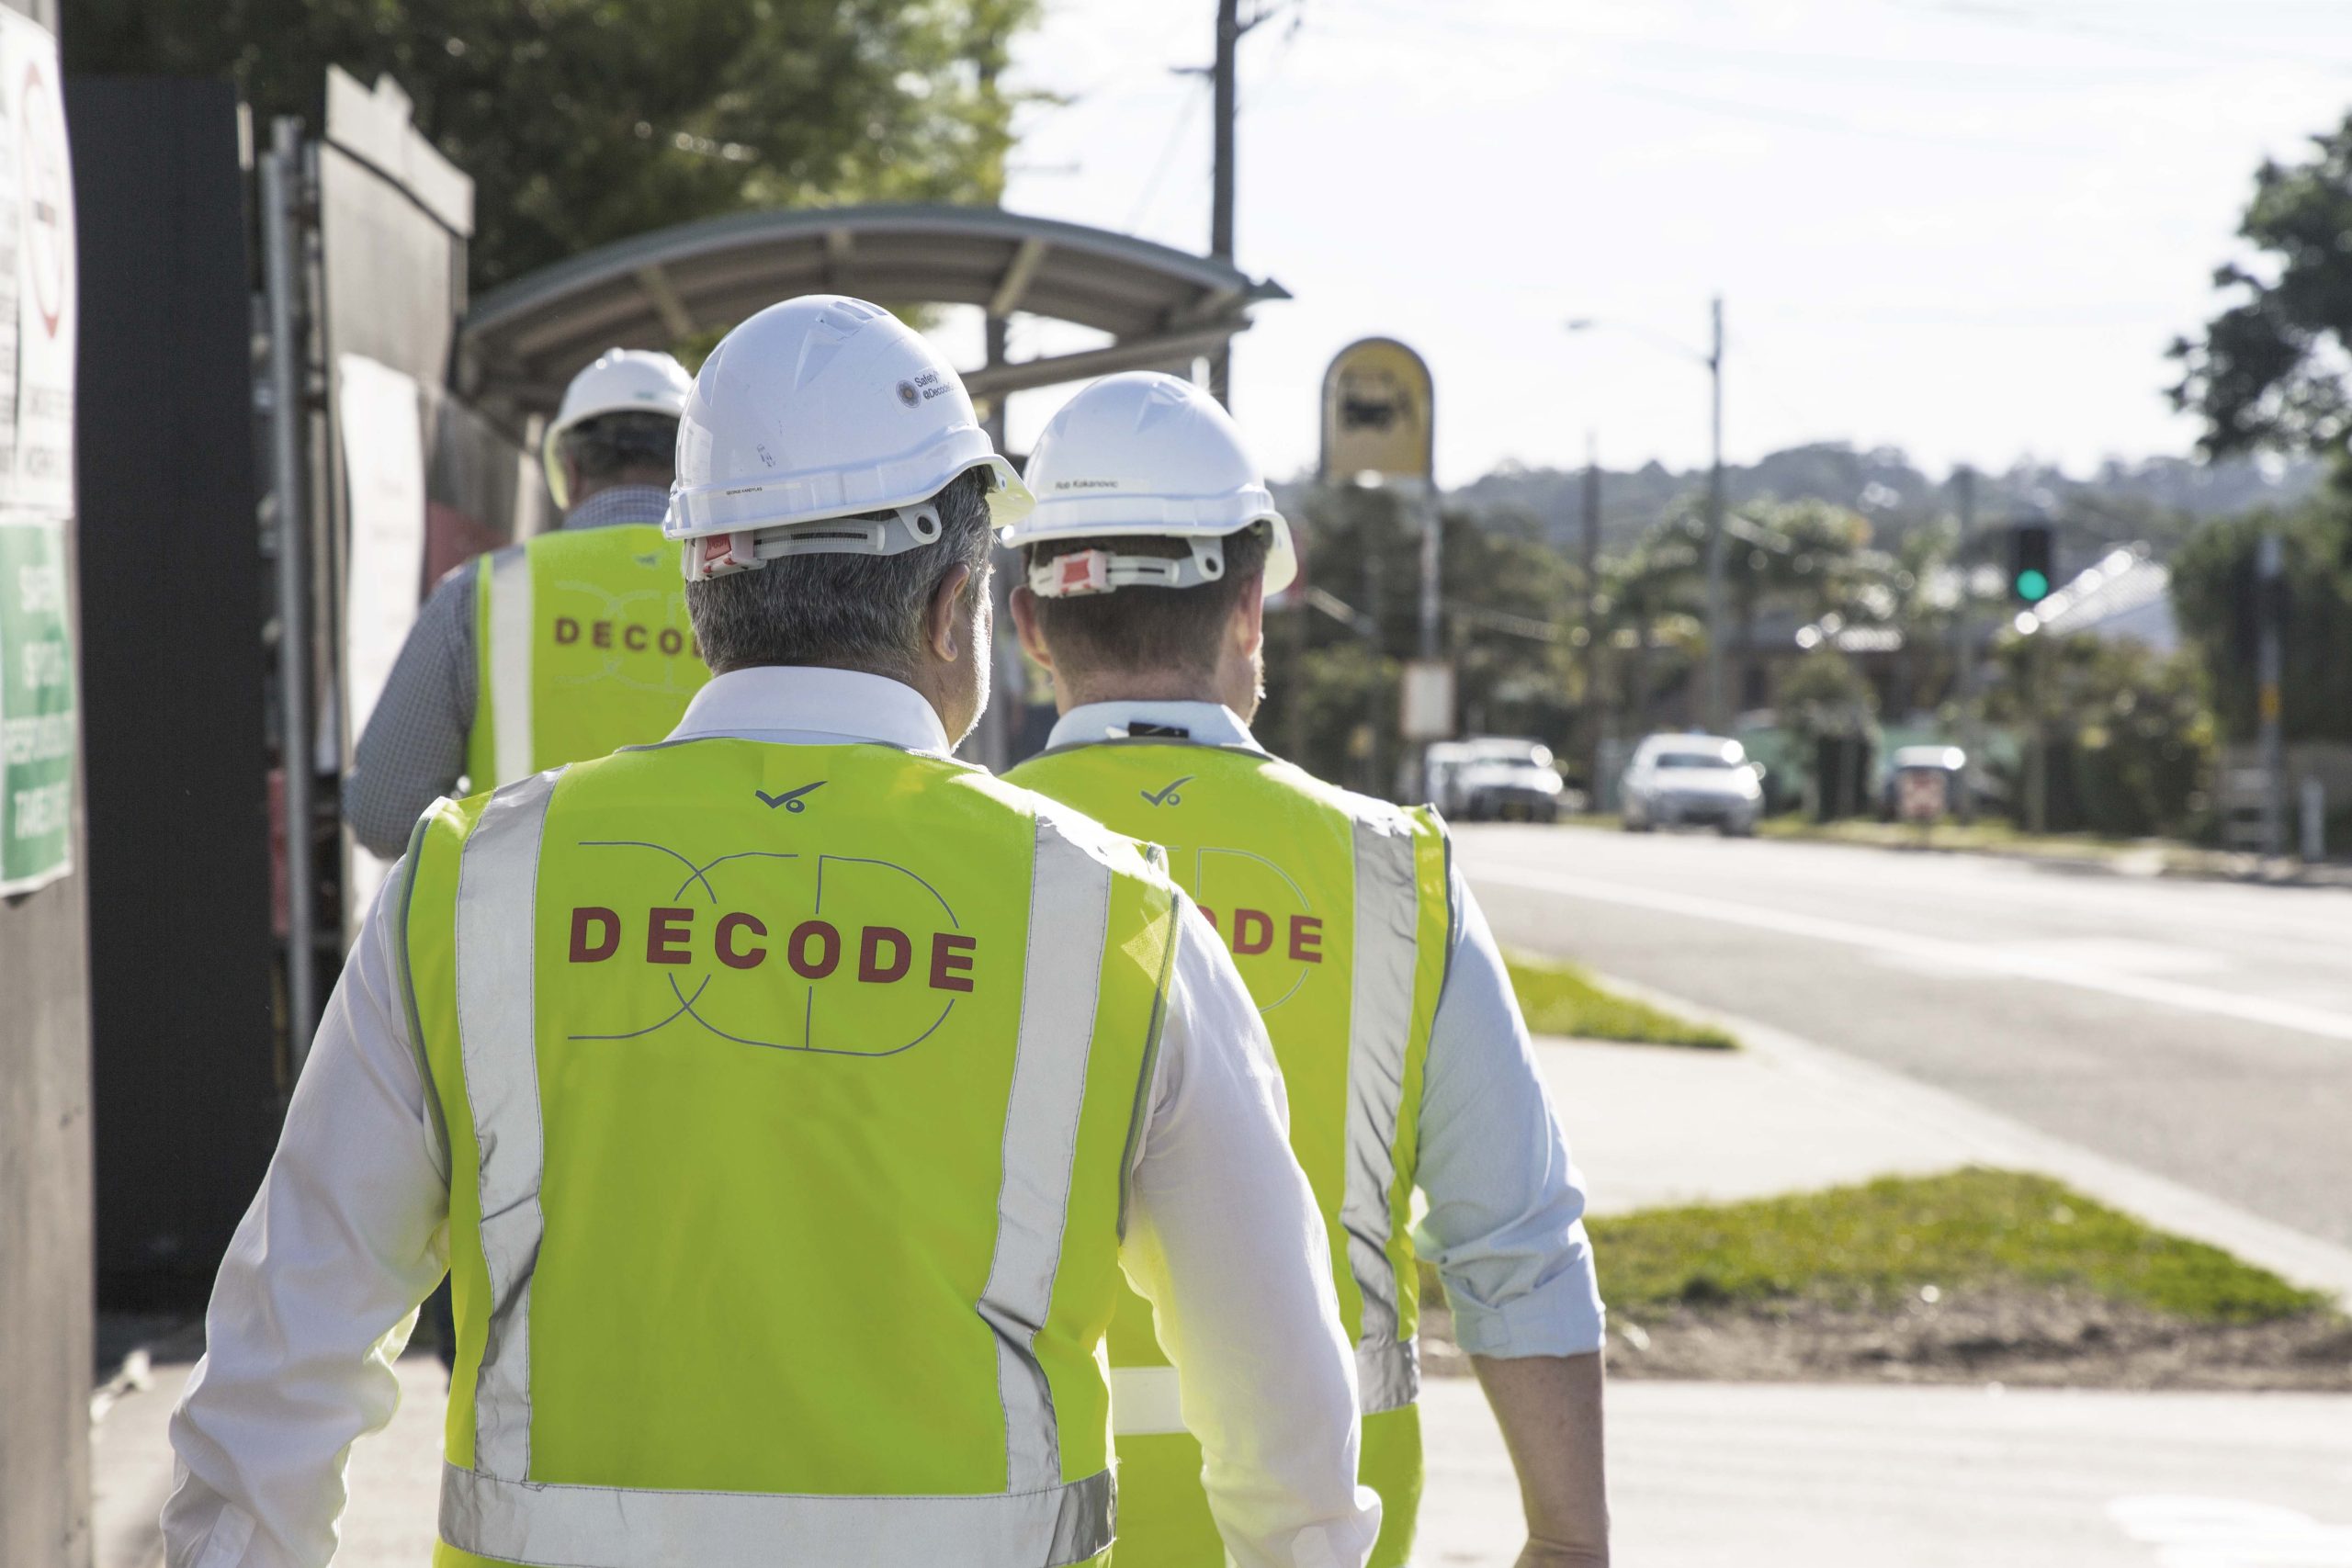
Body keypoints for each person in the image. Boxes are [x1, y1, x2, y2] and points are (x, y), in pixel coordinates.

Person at [165, 301, 1382, 1568]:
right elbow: (1282, 1412)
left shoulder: (468, 882)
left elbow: (281, 1358)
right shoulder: (1115, 915)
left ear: (703, 597)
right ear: (954, 601)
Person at [1001, 372, 1610, 1568]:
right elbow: (1515, 1238)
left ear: (1030, 624)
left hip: (1017, 1505)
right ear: (1249, 607)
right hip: (1327, 1520)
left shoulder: (955, 862)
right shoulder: (1392, 873)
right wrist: (1568, 1536)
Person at [343, 347, 707, 859]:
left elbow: (384, 817)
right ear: (695, 469)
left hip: (522, 930)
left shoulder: (480, 592)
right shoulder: (747, 591)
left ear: (570, 469)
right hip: (703, 928)